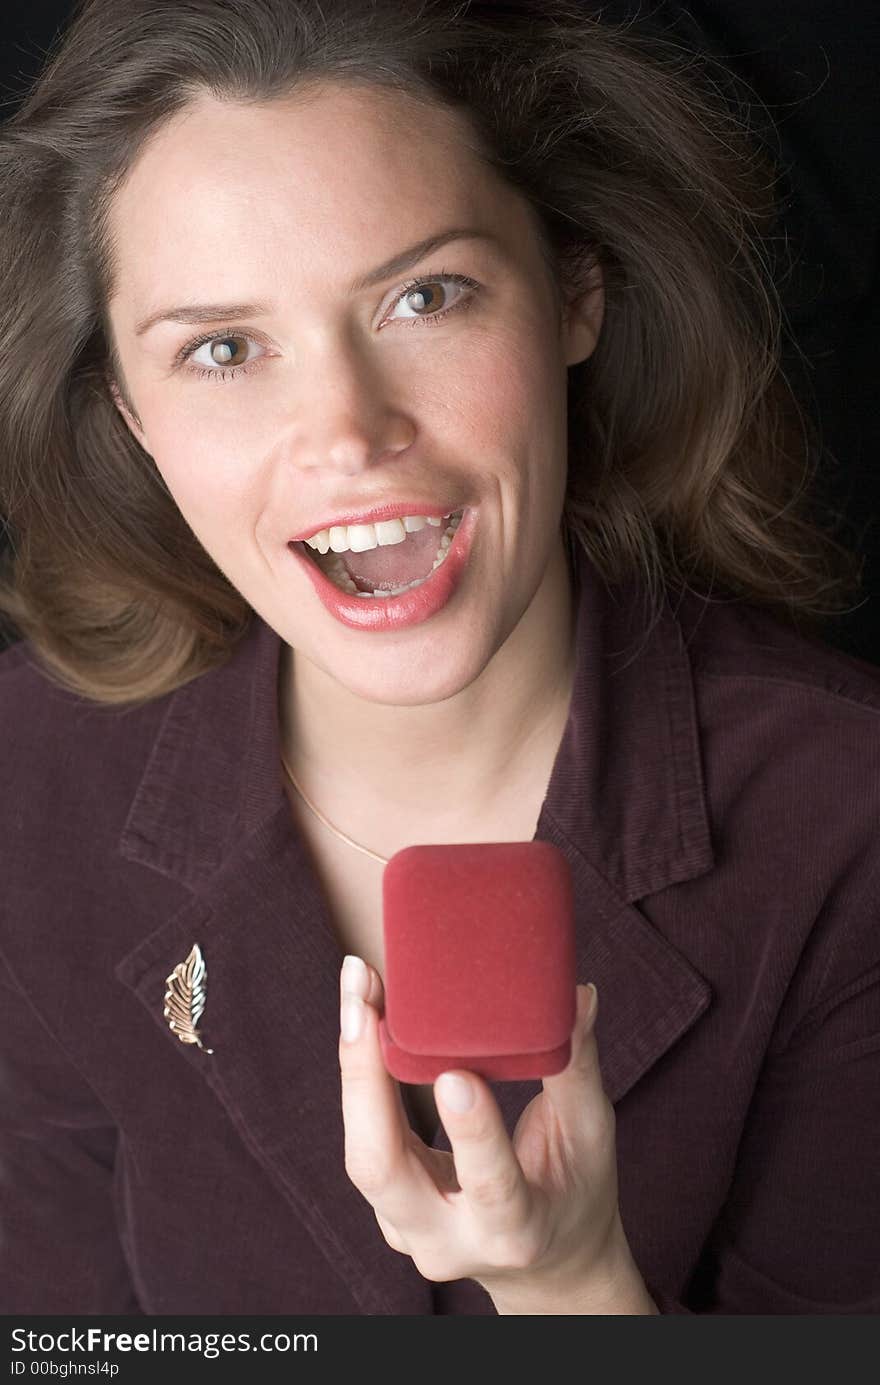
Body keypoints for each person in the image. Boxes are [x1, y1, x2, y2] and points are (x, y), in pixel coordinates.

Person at [0, 0, 877, 1316]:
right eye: (225, 349)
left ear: (574, 291)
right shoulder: (30, 783)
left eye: (425, 296)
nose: (346, 431)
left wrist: (572, 1285)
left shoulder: (847, 822)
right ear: (129, 410)